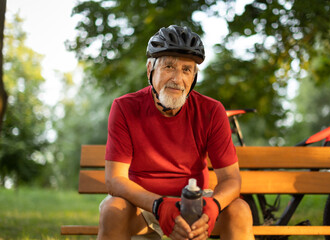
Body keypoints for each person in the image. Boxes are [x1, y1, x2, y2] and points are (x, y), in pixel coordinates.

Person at [98, 25, 254, 240]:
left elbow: (231, 180)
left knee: (241, 211)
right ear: (150, 69)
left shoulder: (211, 110)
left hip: (195, 202)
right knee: (111, 210)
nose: (177, 78)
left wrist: (213, 206)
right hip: (144, 204)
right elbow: (115, 180)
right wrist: (159, 205)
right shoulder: (125, 107)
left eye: (186, 69)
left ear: (194, 77)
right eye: (169, 66)